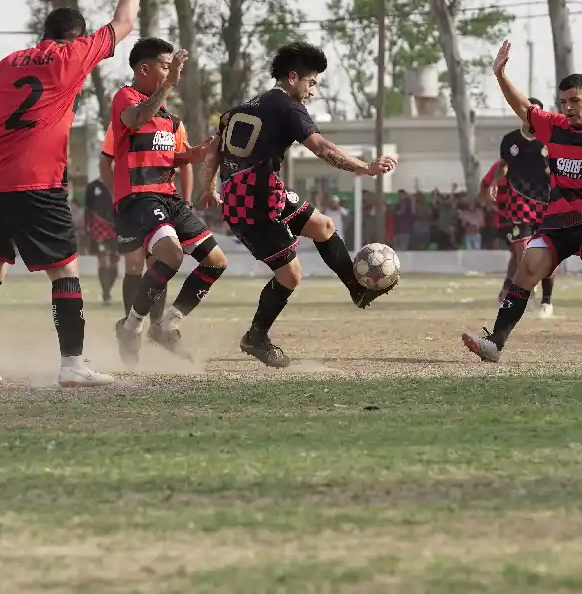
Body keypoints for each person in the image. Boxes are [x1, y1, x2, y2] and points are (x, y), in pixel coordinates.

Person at [0, 0, 140, 389]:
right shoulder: (73, 56)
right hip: (38, 184)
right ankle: (73, 366)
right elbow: (125, 21)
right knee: (64, 271)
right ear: (77, 36)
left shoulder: (10, 62)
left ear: (44, 33)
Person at [198, 41, 397, 368]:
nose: (313, 91)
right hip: (254, 205)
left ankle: (357, 290)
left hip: (261, 192)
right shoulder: (287, 107)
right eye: (312, 82)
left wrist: (208, 187)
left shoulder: (241, 108)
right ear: (293, 77)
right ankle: (256, 337)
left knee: (324, 226)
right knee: (290, 275)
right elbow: (322, 148)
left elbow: (214, 151)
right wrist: (365, 167)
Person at [463, 41, 582, 362]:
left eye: (575, 101)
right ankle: (495, 344)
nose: (568, 107)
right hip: (557, 219)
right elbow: (524, 108)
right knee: (528, 267)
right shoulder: (554, 127)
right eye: (563, 101)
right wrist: (500, 75)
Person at [111, 39, 223, 366]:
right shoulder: (125, 98)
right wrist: (169, 84)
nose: (171, 72)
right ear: (144, 69)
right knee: (171, 256)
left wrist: (197, 154)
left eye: (173, 67)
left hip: (169, 197)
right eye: (165, 66)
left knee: (215, 261)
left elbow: (172, 157)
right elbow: (134, 120)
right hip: (139, 197)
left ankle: (165, 325)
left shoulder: (169, 117)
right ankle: (131, 326)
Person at [99, 117, 193, 319]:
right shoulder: (122, 121)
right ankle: (129, 323)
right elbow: (105, 160)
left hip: (162, 202)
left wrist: (187, 201)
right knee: (133, 264)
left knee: (159, 262)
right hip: (131, 203)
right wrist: (116, 195)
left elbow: (185, 164)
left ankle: (156, 324)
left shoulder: (175, 124)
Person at [495, 100, 556, 316]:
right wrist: (495, 183)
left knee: (549, 253)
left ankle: (547, 301)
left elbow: (558, 170)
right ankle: (528, 292)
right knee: (522, 250)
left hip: (546, 202)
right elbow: (502, 165)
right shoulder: (510, 140)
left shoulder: (550, 139)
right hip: (518, 201)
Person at [83, 169, 119, 304]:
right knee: (103, 260)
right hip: (98, 227)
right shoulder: (92, 187)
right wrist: (87, 227)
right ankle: (106, 294)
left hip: (116, 228)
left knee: (114, 264)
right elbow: (88, 209)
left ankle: (108, 288)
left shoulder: (119, 184)